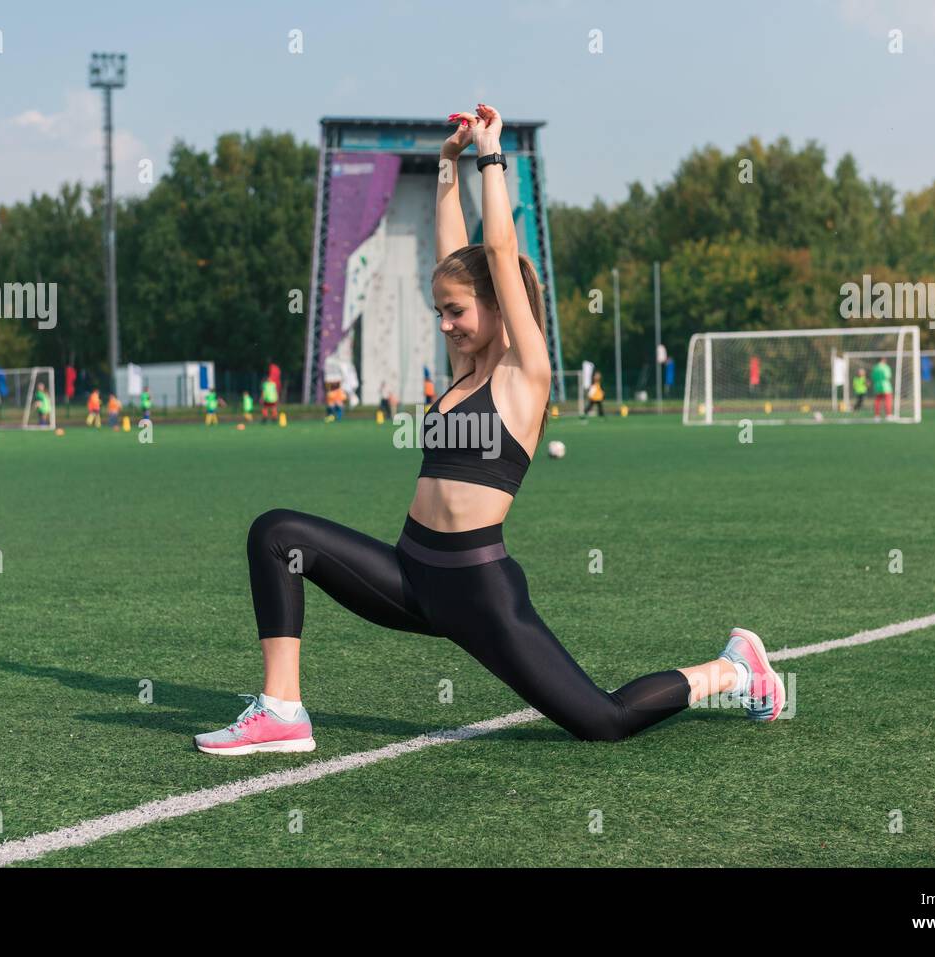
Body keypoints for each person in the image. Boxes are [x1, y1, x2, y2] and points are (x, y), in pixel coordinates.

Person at [195, 104, 784, 756]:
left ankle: (732, 669)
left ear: (499, 306)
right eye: (439, 313)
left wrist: (490, 157)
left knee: (604, 721)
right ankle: (281, 708)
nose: (445, 325)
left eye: (455, 313)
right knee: (276, 534)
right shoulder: (464, 368)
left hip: (480, 594)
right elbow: (459, 257)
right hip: (411, 575)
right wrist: (447, 163)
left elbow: (497, 251)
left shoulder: (524, 375)